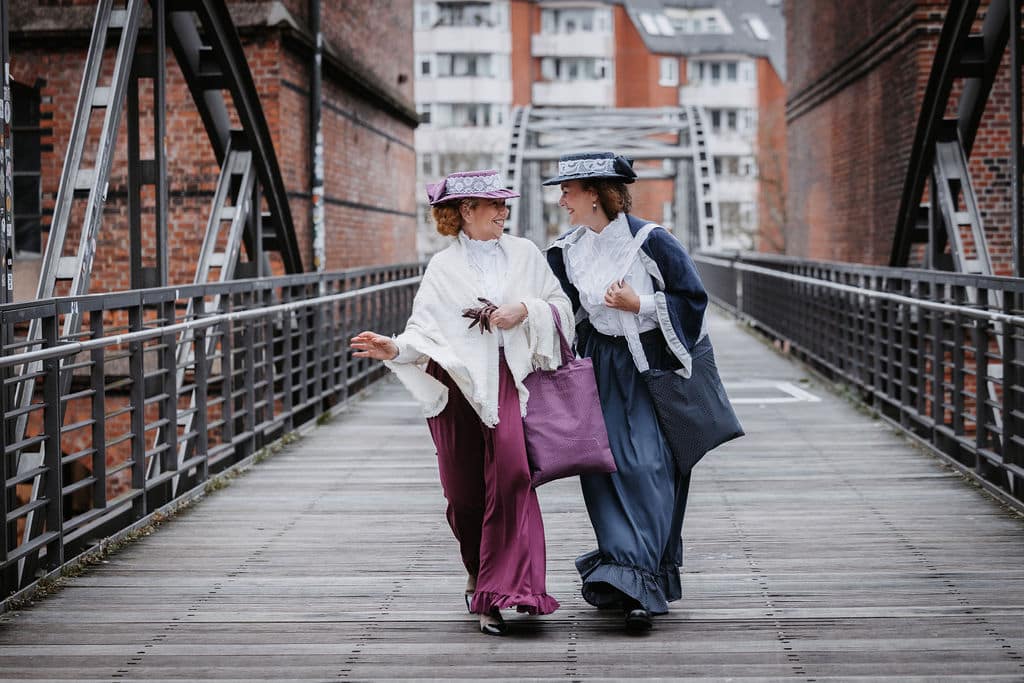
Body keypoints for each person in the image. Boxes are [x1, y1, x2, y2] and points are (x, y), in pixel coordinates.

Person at [350, 169, 571, 636]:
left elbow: (561, 306)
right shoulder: (442, 267)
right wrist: (394, 348)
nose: (504, 211)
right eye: (495, 205)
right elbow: (423, 332)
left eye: (505, 204)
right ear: (466, 211)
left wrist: (524, 310)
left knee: (512, 475)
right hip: (455, 386)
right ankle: (476, 568)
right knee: (462, 494)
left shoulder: (526, 254)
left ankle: (500, 592)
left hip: (510, 382)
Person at [544, 151, 712, 631]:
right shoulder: (564, 251)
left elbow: (692, 299)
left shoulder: (651, 241)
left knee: (647, 466)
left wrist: (641, 303)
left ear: (595, 193)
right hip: (596, 366)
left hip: (647, 366)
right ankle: (627, 579)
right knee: (602, 467)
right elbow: (558, 309)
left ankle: (643, 577)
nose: (561, 201)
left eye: (568, 192)